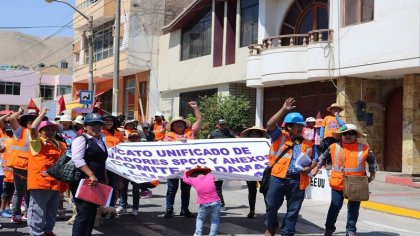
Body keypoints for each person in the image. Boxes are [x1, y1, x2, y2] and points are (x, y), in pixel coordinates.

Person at [264, 97, 318, 236]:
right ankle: (271, 227)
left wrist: (311, 168)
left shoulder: (309, 143)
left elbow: (315, 160)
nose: (301, 128)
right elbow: (270, 125)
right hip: (277, 178)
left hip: (297, 181)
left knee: (293, 211)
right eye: (297, 125)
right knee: (271, 207)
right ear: (289, 127)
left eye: (302, 126)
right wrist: (283, 109)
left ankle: (287, 233)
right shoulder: (279, 136)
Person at [316, 124, 376, 236]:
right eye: (345, 134)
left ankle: (351, 230)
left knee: (353, 209)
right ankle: (329, 229)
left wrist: (371, 176)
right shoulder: (333, 147)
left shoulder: (364, 148)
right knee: (335, 207)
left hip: (356, 183)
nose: (348, 136)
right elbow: (321, 159)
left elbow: (373, 163)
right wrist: (315, 169)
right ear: (341, 135)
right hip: (338, 183)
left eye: (351, 133)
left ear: (356, 136)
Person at [27, 108, 68, 236]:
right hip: (40, 183)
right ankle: (37, 233)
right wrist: (42, 114)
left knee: (52, 211)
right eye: (47, 130)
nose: (50, 132)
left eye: (52, 129)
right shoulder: (37, 143)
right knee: (37, 211)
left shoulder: (60, 144)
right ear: (41, 132)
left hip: (56, 184)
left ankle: (48, 231)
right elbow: (33, 128)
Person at [70, 113, 108, 236]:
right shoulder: (81, 139)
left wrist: (104, 179)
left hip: (96, 182)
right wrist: (91, 175)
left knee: (92, 214)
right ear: (85, 126)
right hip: (84, 181)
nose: (96, 127)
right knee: (83, 214)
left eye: (99, 125)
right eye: (92, 125)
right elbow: (77, 160)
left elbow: (102, 162)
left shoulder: (100, 140)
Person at [163, 101, 202, 218]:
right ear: (173, 126)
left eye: (181, 123)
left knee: (186, 190)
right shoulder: (168, 137)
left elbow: (199, 121)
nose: (179, 125)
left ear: (184, 125)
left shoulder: (190, 133)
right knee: (171, 189)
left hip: (188, 167)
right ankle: (169, 209)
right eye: (176, 124)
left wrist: (195, 109)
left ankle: (185, 210)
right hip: (173, 167)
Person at [8, 108, 46, 223]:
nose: (33, 123)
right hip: (20, 166)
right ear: (26, 123)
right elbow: (12, 118)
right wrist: (20, 112)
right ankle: (16, 214)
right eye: (30, 121)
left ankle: (27, 213)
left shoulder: (40, 134)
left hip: (34, 167)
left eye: (35, 121)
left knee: (30, 191)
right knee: (19, 191)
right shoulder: (20, 131)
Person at [118, 132, 159, 216]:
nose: (134, 139)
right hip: (125, 171)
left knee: (136, 190)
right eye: (132, 138)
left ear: (138, 139)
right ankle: (123, 206)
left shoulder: (142, 148)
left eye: (136, 137)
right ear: (129, 139)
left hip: (137, 173)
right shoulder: (124, 147)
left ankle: (135, 208)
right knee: (123, 189)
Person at [182, 166, 221, 236]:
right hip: (216, 202)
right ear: (204, 172)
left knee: (200, 219)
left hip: (204, 203)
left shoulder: (193, 180)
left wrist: (184, 172)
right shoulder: (210, 176)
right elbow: (210, 172)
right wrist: (205, 167)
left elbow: (184, 179)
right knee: (215, 220)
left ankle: (198, 234)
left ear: (194, 173)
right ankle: (212, 235)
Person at [239, 126, 269, 219]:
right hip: (250, 171)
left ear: (260, 136)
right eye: (252, 134)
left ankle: (269, 211)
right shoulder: (245, 147)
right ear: (249, 136)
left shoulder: (266, 145)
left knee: (266, 191)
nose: (254, 135)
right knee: (251, 191)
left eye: (257, 133)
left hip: (264, 171)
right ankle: (252, 210)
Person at [207, 119, 236, 210]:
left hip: (226, 162)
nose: (222, 126)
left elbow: (237, 140)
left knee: (217, 185)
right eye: (221, 125)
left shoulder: (230, 133)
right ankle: (219, 203)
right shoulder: (213, 133)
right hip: (215, 161)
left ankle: (219, 203)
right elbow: (206, 143)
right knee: (216, 185)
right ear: (217, 125)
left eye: (224, 124)